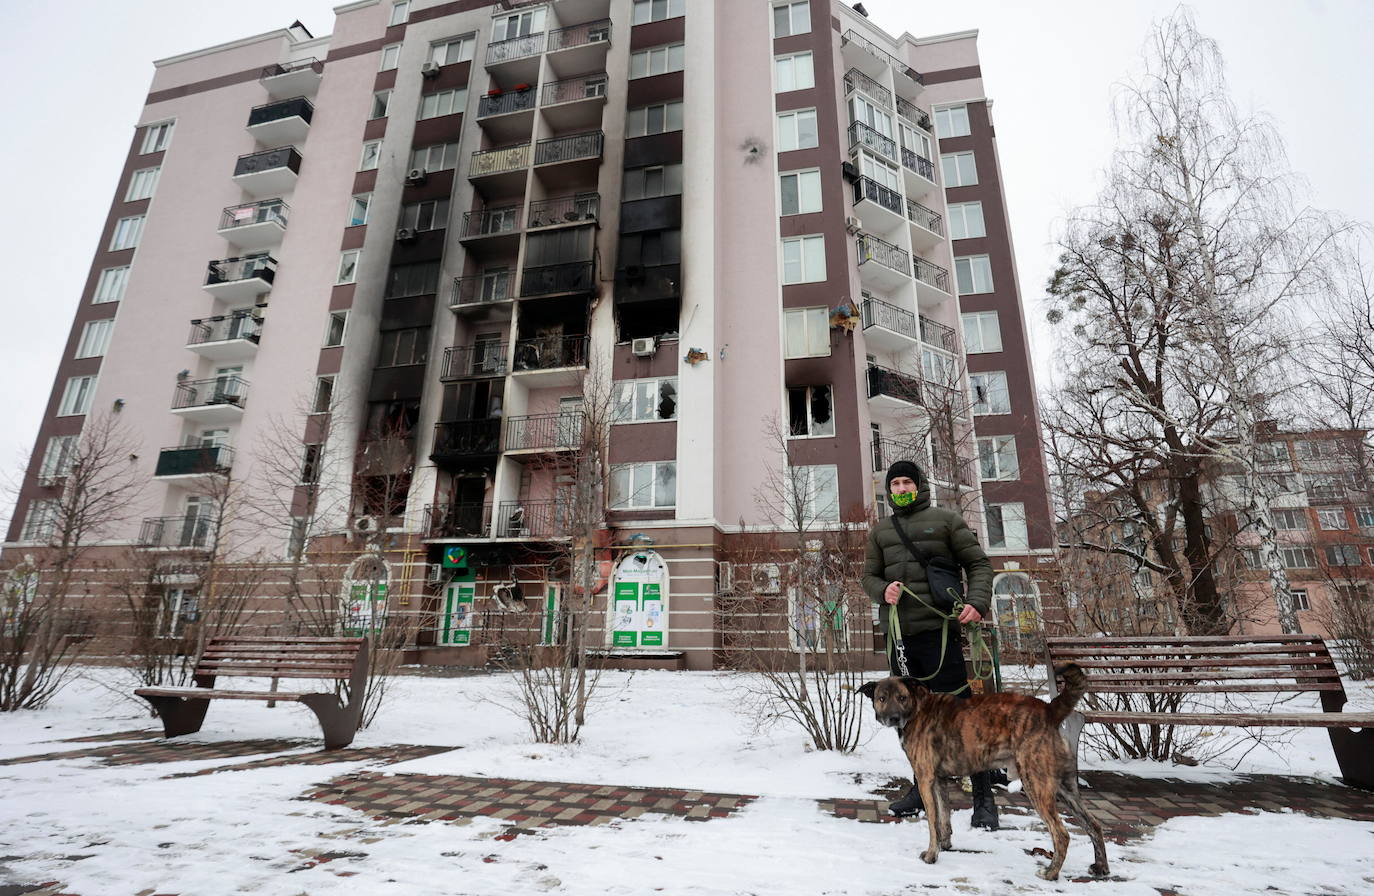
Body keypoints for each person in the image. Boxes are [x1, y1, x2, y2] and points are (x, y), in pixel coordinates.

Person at [862, 459, 998, 829]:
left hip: (940, 635)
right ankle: (921, 790)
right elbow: (868, 577)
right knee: (911, 723)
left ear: (919, 485)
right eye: (896, 484)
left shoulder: (946, 521)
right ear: (888, 491)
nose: (902, 489)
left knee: (964, 718)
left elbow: (979, 565)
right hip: (900, 639)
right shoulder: (881, 531)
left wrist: (977, 602)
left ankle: (984, 798)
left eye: (908, 482)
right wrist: (881, 589)